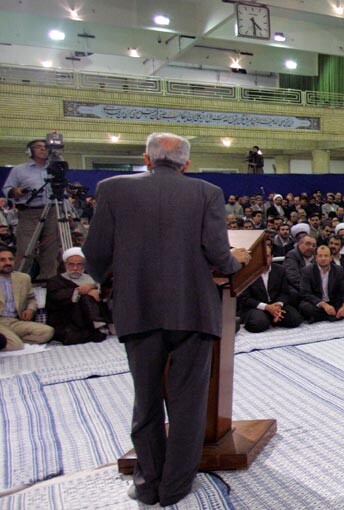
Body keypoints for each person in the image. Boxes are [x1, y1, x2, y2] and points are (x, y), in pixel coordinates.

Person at [83, 132, 249, 506]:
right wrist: (234, 262)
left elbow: (95, 253)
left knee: (145, 399)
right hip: (193, 309)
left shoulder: (112, 189)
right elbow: (218, 254)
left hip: (137, 308)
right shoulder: (207, 193)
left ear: (147, 158)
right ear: (186, 164)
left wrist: (116, 281)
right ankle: (176, 486)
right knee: (188, 402)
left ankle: (148, 483)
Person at [3, 139, 61, 281]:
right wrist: (16, 191)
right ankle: (17, 280)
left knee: (51, 249)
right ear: (30, 151)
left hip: (52, 211)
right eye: (38, 147)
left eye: (45, 147)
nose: (43, 149)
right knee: (25, 249)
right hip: (29, 212)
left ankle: (48, 280)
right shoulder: (19, 170)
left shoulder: (55, 168)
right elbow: (7, 189)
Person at [45, 247, 111, 344]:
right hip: (67, 322)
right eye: (71, 264)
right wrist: (82, 291)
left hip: (86, 322)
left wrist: (93, 287)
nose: (75, 268)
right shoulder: (55, 281)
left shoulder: (92, 279)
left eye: (79, 264)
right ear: (65, 264)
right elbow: (58, 297)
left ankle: (102, 325)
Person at [237, 242, 303, 333]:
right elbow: (245, 298)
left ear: (272, 257)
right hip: (256, 307)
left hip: (275, 304)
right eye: (261, 257)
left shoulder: (280, 270)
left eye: (267, 256)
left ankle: (273, 316)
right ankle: (268, 318)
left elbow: (285, 292)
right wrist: (267, 307)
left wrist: (278, 305)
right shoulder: (247, 272)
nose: (264, 259)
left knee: (295, 319)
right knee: (258, 323)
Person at [0, 245, 54, 351]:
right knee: (15, 346)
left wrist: (30, 309)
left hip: (15, 321)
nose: (8, 263)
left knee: (47, 332)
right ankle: (13, 341)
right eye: (2, 260)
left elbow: (31, 298)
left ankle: (12, 339)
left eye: (10, 259)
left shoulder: (23, 278)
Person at [299, 245, 344, 323]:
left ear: (331, 258)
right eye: (320, 256)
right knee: (305, 307)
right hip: (317, 302)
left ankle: (322, 317)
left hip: (333, 301)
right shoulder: (307, 271)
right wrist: (324, 305)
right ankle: (333, 316)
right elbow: (305, 293)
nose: (323, 258)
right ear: (316, 258)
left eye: (326, 256)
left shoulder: (339, 270)